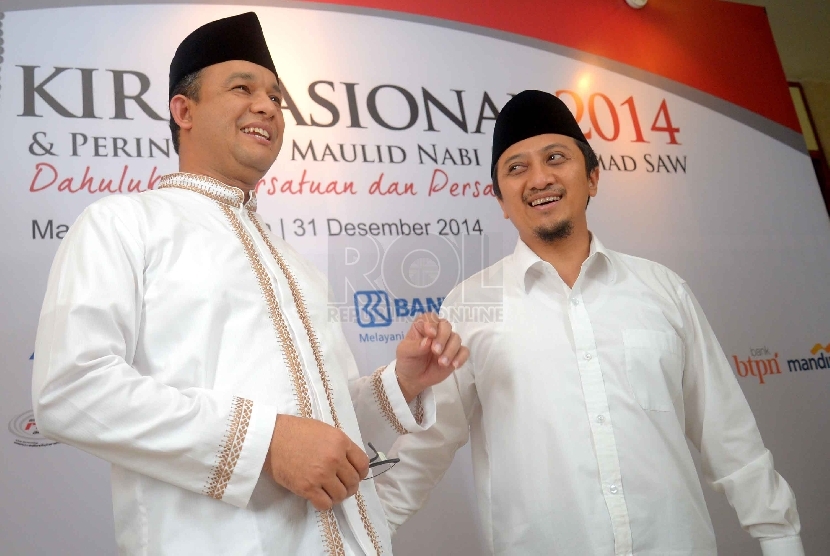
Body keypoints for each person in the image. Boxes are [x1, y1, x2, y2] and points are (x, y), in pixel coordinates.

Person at [31, 12, 467, 556]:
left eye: (276, 97)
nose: (267, 106)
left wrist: (400, 384)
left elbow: (328, 433)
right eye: (243, 87)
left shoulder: (296, 266)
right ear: (182, 110)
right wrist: (264, 443)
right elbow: (71, 388)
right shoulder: (122, 224)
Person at [375, 90, 804, 555]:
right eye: (516, 168)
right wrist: (356, 534)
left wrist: (780, 539)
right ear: (499, 199)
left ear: (593, 176)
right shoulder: (472, 305)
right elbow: (424, 449)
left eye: (555, 158)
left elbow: (729, 434)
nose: (539, 179)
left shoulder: (663, 291)